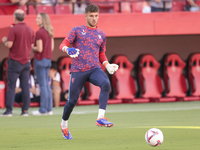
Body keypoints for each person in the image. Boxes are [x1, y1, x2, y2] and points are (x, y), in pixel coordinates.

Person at [59, 4, 119, 139]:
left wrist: (107, 65)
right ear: (85, 16)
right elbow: (62, 44)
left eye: (96, 16)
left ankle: (100, 117)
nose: (94, 18)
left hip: (94, 68)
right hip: (78, 70)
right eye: (91, 16)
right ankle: (64, 125)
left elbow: (101, 54)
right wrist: (67, 50)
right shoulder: (77, 30)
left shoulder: (101, 34)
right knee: (72, 101)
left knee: (106, 84)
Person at [1, 9, 34, 116]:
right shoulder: (30, 29)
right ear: (24, 17)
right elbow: (32, 46)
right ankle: (25, 110)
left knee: (11, 86)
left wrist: (5, 40)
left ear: (15, 17)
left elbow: (9, 45)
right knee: (25, 86)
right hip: (26, 61)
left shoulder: (14, 29)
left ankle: (9, 111)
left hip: (15, 61)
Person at [32, 13, 54, 116]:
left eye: (38, 18)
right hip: (48, 60)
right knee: (46, 85)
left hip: (40, 60)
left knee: (43, 85)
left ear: (43, 20)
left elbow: (39, 49)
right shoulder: (50, 32)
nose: (36, 19)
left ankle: (43, 109)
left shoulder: (39, 32)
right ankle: (49, 109)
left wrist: (31, 46)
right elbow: (52, 48)